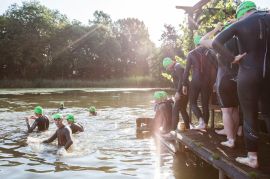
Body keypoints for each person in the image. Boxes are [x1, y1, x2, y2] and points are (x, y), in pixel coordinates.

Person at [212, 1, 270, 168]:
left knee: (250, 114)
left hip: (248, 73)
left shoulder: (241, 23)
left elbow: (216, 43)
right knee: (268, 113)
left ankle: (252, 158)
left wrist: (232, 58)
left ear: (241, 13)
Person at [200, 22, 240, 148]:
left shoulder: (219, 42)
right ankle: (234, 135)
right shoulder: (240, 40)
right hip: (238, 79)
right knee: (235, 110)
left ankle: (230, 140)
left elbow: (202, 40)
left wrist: (215, 29)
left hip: (223, 79)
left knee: (226, 112)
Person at [182, 35, 217, 129]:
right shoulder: (211, 52)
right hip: (207, 82)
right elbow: (216, 69)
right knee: (205, 104)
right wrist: (214, 82)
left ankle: (201, 120)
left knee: (192, 102)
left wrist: (184, 84)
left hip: (195, 81)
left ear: (195, 43)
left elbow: (187, 70)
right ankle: (205, 124)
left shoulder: (191, 54)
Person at [163, 57, 191, 130]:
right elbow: (178, 81)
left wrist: (178, 92)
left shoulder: (178, 66)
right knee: (182, 109)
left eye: (167, 67)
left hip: (183, 91)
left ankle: (173, 130)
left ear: (170, 63)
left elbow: (181, 79)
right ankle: (187, 128)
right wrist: (176, 92)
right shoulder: (175, 68)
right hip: (182, 91)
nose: (168, 69)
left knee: (175, 110)